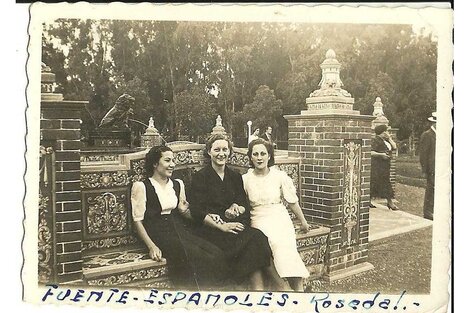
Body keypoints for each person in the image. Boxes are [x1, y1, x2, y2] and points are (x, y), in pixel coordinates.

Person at [188, 134, 279, 291]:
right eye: (217, 150)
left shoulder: (235, 176)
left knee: (257, 237)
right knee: (254, 239)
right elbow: (196, 211)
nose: (221, 153)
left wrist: (236, 208)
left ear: (230, 152)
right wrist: (222, 226)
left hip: (233, 226)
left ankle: (260, 290)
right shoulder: (200, 177)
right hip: (211, 230)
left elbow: (244, 204)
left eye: (225, 149)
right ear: (209, 152)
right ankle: (277, 286)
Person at [131, 145, 229, 290]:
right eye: (167, 160)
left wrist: (199, 215)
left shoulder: (177, 184)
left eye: (173, 160)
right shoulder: (142, 186)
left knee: (215, 253)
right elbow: (137, 221)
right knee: (197, 256)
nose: (172, 165)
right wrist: (152, 246)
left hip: (177, 228)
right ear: (155, 164)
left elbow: (184, 212)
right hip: (156, 231)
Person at [243, 138, 310, 291]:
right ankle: (281, 287)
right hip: (258, 218)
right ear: (251, 157)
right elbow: (242, 204)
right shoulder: (245, 179)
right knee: (268, 243)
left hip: (279, 217)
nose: (259, 157)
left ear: (269, 156)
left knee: (285, 246)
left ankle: (298, 290)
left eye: (263, 154)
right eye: (255, 154)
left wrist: (303, 221)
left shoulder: (279, 176)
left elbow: (292, 201)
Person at [371, 124, 399, 210]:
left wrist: (390, 138)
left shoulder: (386, 141)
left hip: (385, 165)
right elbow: (370, 152)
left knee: (385, 182)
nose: (387, 133)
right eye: (386, 131)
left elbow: (394, 147)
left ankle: (389, 202)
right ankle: (389, 202)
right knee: (374, 183)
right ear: (382, 133)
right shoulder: (375, 140)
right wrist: (381, 154)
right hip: (377, 165)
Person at [419, 112, 436, 220]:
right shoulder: (427, 135)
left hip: (440, 166)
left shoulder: (439, 134)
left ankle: (434, 209)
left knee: (437, 189)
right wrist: (425, 170)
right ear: (434, 123)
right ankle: (428, 212)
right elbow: (423, 154)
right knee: (430, 189)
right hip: (431, 168)